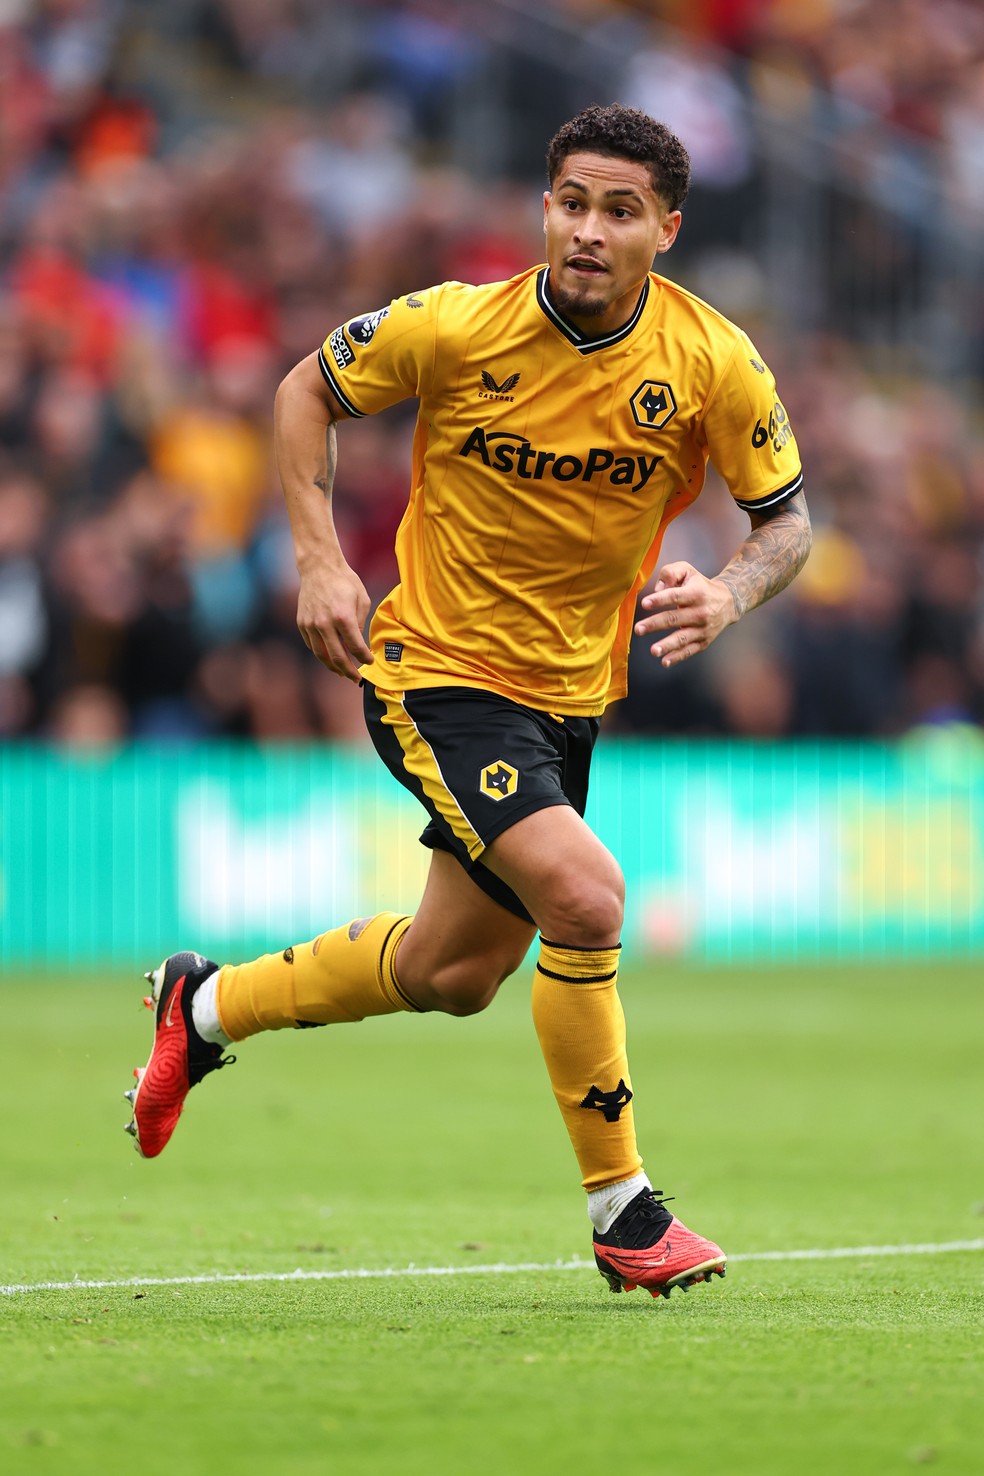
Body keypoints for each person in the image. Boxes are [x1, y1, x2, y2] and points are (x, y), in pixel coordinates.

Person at [124, 104, 810, 1300]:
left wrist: (734, 595)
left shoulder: (712, 362)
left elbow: (788, 521)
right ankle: (624, 1211)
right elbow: (303, 393)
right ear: (544, 208)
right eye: (570, 203)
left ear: (667, 230)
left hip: (568, 697)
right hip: (439, 673)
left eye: (620, 211)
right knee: (590, 899)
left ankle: (209, 1005)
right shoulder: (455, 326)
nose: (587, 231)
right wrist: (322, 562)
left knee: (456, 972)